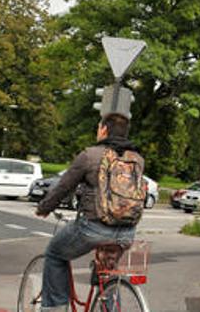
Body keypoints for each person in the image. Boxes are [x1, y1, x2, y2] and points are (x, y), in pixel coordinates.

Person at [35, 113, 143, 311]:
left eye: (98, 128)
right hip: (127, 232)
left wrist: (44, 208)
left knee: (55, 254)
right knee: (108, 270)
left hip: (93, 228)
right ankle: (107, 304)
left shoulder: (90, 155)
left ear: (104, 130)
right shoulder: (136, 158)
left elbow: (63, 187)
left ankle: (54, 308)